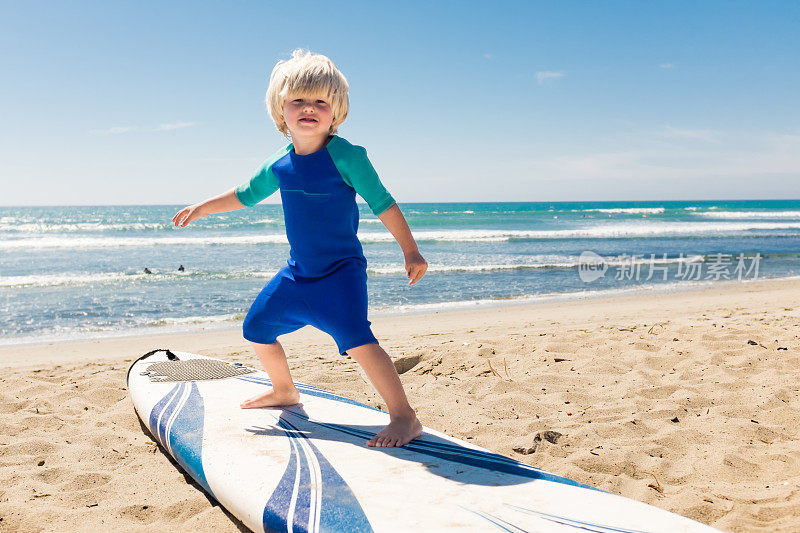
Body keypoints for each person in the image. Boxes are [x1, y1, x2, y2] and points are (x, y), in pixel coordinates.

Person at [172, 49, 426, 447]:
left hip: (340, 272)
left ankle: (404, 417)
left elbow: (383, 204)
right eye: (299, 100)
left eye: (320, 102)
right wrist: (204, 207)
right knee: (256, 328)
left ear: (335, 111)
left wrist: (410, 251)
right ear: (281, 110)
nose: (309, 108)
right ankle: (285, 391)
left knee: (358, 340)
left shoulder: (347, 157)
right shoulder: (280, 163)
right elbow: (245, 195)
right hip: (298, 274)